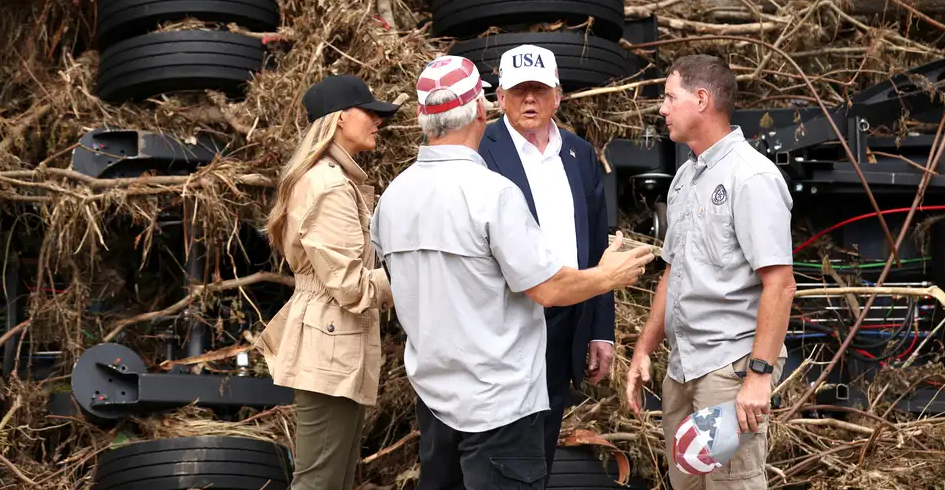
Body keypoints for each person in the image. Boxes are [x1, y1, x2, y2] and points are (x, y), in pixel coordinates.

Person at [370, 55, 655, 490]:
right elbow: (546, 287)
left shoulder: (392, 197)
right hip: (499, 402)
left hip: (435, 395)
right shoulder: (492, 194)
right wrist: (608, 276)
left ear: (423, 117)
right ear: (486, 109)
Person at [624, 54, 797, 490]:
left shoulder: (752, 177)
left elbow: (780, 283)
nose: (661, 109)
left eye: (669, 97)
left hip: (729, 373)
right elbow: (674, 271)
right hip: (683, 371)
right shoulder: (684, 178)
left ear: (701, 99)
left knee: (732, 485)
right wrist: (645, 348)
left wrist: (759, 376)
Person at [255, 74, 401, 490]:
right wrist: (416, 271)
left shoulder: (333, 179)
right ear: (339, 118)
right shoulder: (329, 185)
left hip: (333, 340)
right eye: (369, 112)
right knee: (319, 482)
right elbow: (353, 287)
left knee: (331, 479)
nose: (378, 121)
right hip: (330, 344)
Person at [477, 44, 614, 476]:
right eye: (519, 91)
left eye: (538, 89)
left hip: (566, 323)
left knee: (542, 452)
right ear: (500, 97)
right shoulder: (480, 149)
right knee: (499, 454)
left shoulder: (579, 153)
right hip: (504, 323)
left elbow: (597, 248)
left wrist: (601, 330)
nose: (529, 100)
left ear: (558, 95)